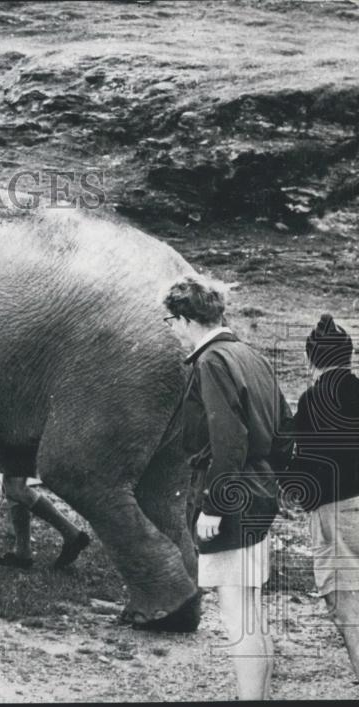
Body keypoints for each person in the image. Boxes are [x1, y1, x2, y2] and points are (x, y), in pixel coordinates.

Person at [164, 274, 291, 700]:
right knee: (251, 611)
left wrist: (214, 505)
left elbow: (228, 440)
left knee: (237, 614)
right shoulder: (249, 355)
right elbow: (284, 428)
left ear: (185, 319)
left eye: (171, 320)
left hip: (232, 498)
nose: (172, 329)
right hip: (258, 491)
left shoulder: (211, 361)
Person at [291, 314, 359, 679]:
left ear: (312, 360)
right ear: (348, 357)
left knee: (345, 601)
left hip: (337, 511)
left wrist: (297, 493)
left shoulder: (311, 400)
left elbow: (307, 466)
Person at [0, 441, 90, 570]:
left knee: (16, 488)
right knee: (11, 486)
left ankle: (73, 534)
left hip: (21, 432)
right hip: (17, 432)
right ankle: (23, 554)